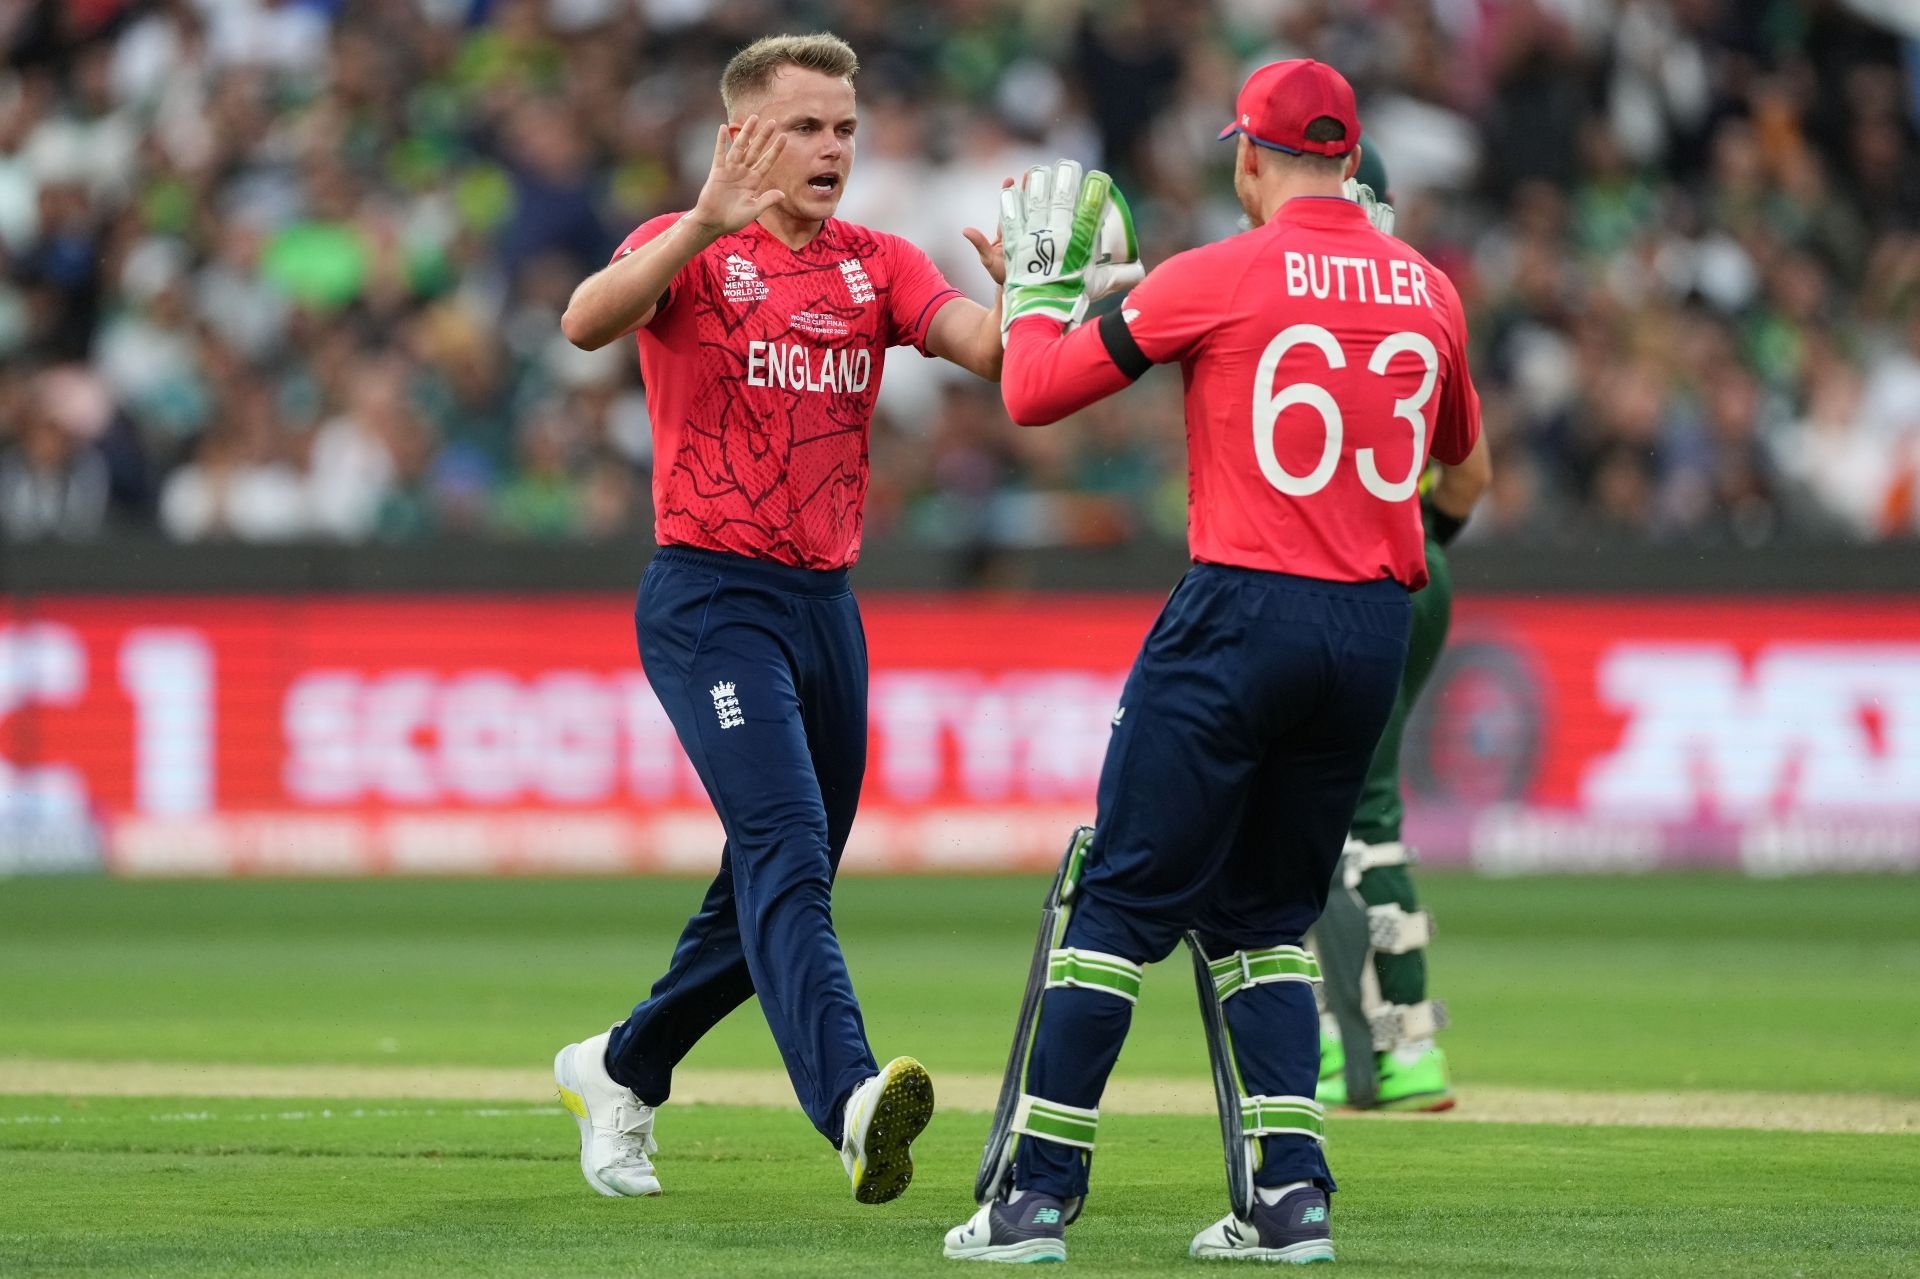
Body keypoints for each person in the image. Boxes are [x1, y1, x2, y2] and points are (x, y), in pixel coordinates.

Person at [944, 60, 1489, 1264]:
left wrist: (1038, 294)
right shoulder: (1431, 291)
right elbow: (1462, 463)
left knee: (1116, 905)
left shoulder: (1218, 272)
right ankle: (1290, 1199)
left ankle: (1035, 1200)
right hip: (1368, 631)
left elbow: (1032, 392)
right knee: (1267, 920)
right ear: (1350, 162)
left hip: (1241, 607)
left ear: (1249, 157)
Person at [552, 32, 1013, 1207]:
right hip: (710, 598)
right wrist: (702, 221)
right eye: (805, 126)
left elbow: (989, 350)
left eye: (845, 128)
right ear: (742, 136)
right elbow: (584, 323)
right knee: (789, 854)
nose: (831, 149)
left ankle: (619, 1066)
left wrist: (1035, 297)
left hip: (824, 608)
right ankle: (853, 1102)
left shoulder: (878, 261)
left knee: (772, 877)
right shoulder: (688, 247)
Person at [1312, 141, 1489, 1115]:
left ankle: (1389, 1043)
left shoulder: (1294, 284)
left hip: (1332, 577)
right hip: (1415, 564)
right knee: (1362, 804)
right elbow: (1473, 473)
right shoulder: (1417, 291)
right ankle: (1374, 1037)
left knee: (1330, 814)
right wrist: (1426, 535)